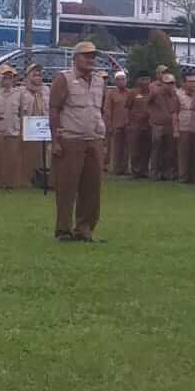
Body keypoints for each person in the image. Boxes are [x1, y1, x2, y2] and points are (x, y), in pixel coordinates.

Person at [48, 42, 106, 242]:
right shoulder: (63, 79)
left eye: (92, 56)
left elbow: (100, 108)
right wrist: (55, 140)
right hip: (71, 139)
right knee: (67, 187)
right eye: (86, 56)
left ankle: (84, 230)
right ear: (75, 58)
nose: (90, 60)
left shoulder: (100, 81)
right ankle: (63, 231)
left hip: (95, 139)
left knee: (92, 188)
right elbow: (54, 109)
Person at [147, 72, 179, 181]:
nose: (170, 85)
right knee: (156, 150)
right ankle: (154, 173)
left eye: (172, 83)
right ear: (163, 84)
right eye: (167, 83)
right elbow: (146, 103)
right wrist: (151, 116)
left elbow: (175, 111)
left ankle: (167, 172)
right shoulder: (155, 93)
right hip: (157, 125)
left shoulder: (174, 95)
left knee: (168, 150)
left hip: (169, 125)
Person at [0, 64, 24, 188]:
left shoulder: (19, 94)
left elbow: (22, 113)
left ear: (13, 78)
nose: (7, 79)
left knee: (12, 158)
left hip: (13, 131)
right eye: (4, 76)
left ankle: (11, 183)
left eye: (9, 77)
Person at [175, 73, 195, 184]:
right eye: (190, 82)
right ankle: (183, 177)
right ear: (184, 83)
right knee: (184, 154)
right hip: (184, 127)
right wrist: (176, 129)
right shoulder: (178, 95)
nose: (193, 84)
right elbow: (174, 113)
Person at [125, 76, 151, 178]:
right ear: (138, 81)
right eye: (142, 79)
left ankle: (144, 170)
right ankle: (136, 170)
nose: (144, 81)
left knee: (147, 148)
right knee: (135, 148)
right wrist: (128, 122)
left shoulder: (151, 93)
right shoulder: (133, 93)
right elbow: (127, 108)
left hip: (148, 124)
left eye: (146, 79)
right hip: (135, 124)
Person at [102, 72, 129, 175]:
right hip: (115, 125)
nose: (121, 81)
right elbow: (107, 110)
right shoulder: (111, 94)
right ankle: (115, 169)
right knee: (115, 148)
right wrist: (108, 125)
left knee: (127, 148)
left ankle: (125, 168)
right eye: (119, 79)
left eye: (123, 79)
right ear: (115, 81)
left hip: (127, 125)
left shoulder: (129, 93)